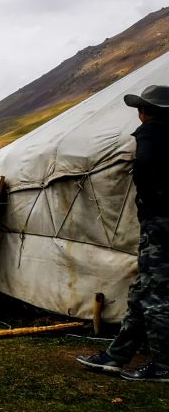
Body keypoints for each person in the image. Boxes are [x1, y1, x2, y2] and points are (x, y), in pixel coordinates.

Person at [77, 84, 169, 382]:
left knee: (156, 296)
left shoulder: (153, 139)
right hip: (158, 227)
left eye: (140, 108)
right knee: (142, 292)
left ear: (145, 112)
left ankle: (165, 365)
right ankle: (117, 355)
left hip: (161, 229)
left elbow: (153, 183)